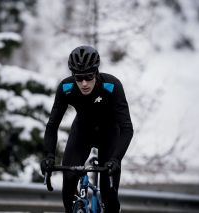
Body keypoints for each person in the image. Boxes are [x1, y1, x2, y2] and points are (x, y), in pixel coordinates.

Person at [41, 45, 134, 213]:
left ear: (96, 73)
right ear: (73, 76)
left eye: (89, 77)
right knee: (68, 183)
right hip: (82, 133)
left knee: (109, 195)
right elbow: (52, 125)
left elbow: (127, 128)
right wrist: (49, 155)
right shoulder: (66, 88)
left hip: (109, 136)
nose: (84, 83)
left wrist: (116, 159)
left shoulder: (112, 86)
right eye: (79, 78)